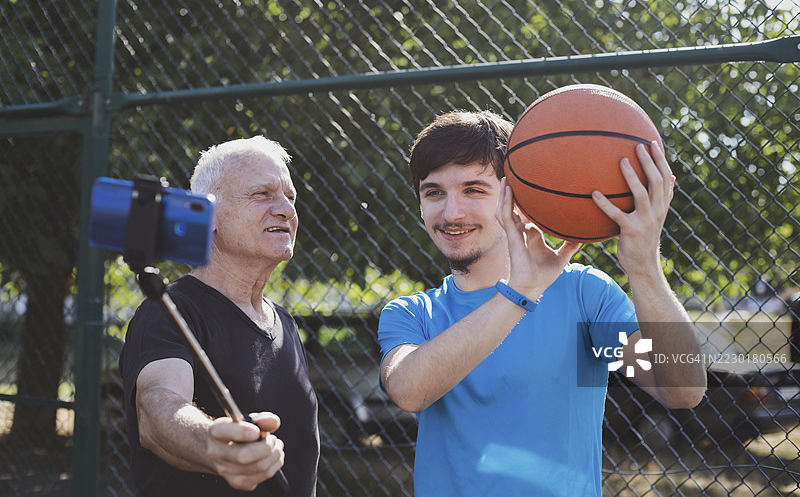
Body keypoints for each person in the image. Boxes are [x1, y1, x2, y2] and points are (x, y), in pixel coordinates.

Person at [377, 110, 706, 496]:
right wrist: (521, 292)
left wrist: (644, 265)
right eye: (434, 193)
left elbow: (682, 390)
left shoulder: (583, 296)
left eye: (474, 190)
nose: (451, 212)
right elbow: (409, 391)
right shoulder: (412, 313)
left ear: (515, 197)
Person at [119, 136, 319, 496]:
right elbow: (158, 408)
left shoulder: (284, 323)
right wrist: (215, 443)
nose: (286, 209)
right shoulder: (168, 310)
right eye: (263, 194)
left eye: (290, 197)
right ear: (206, 214)